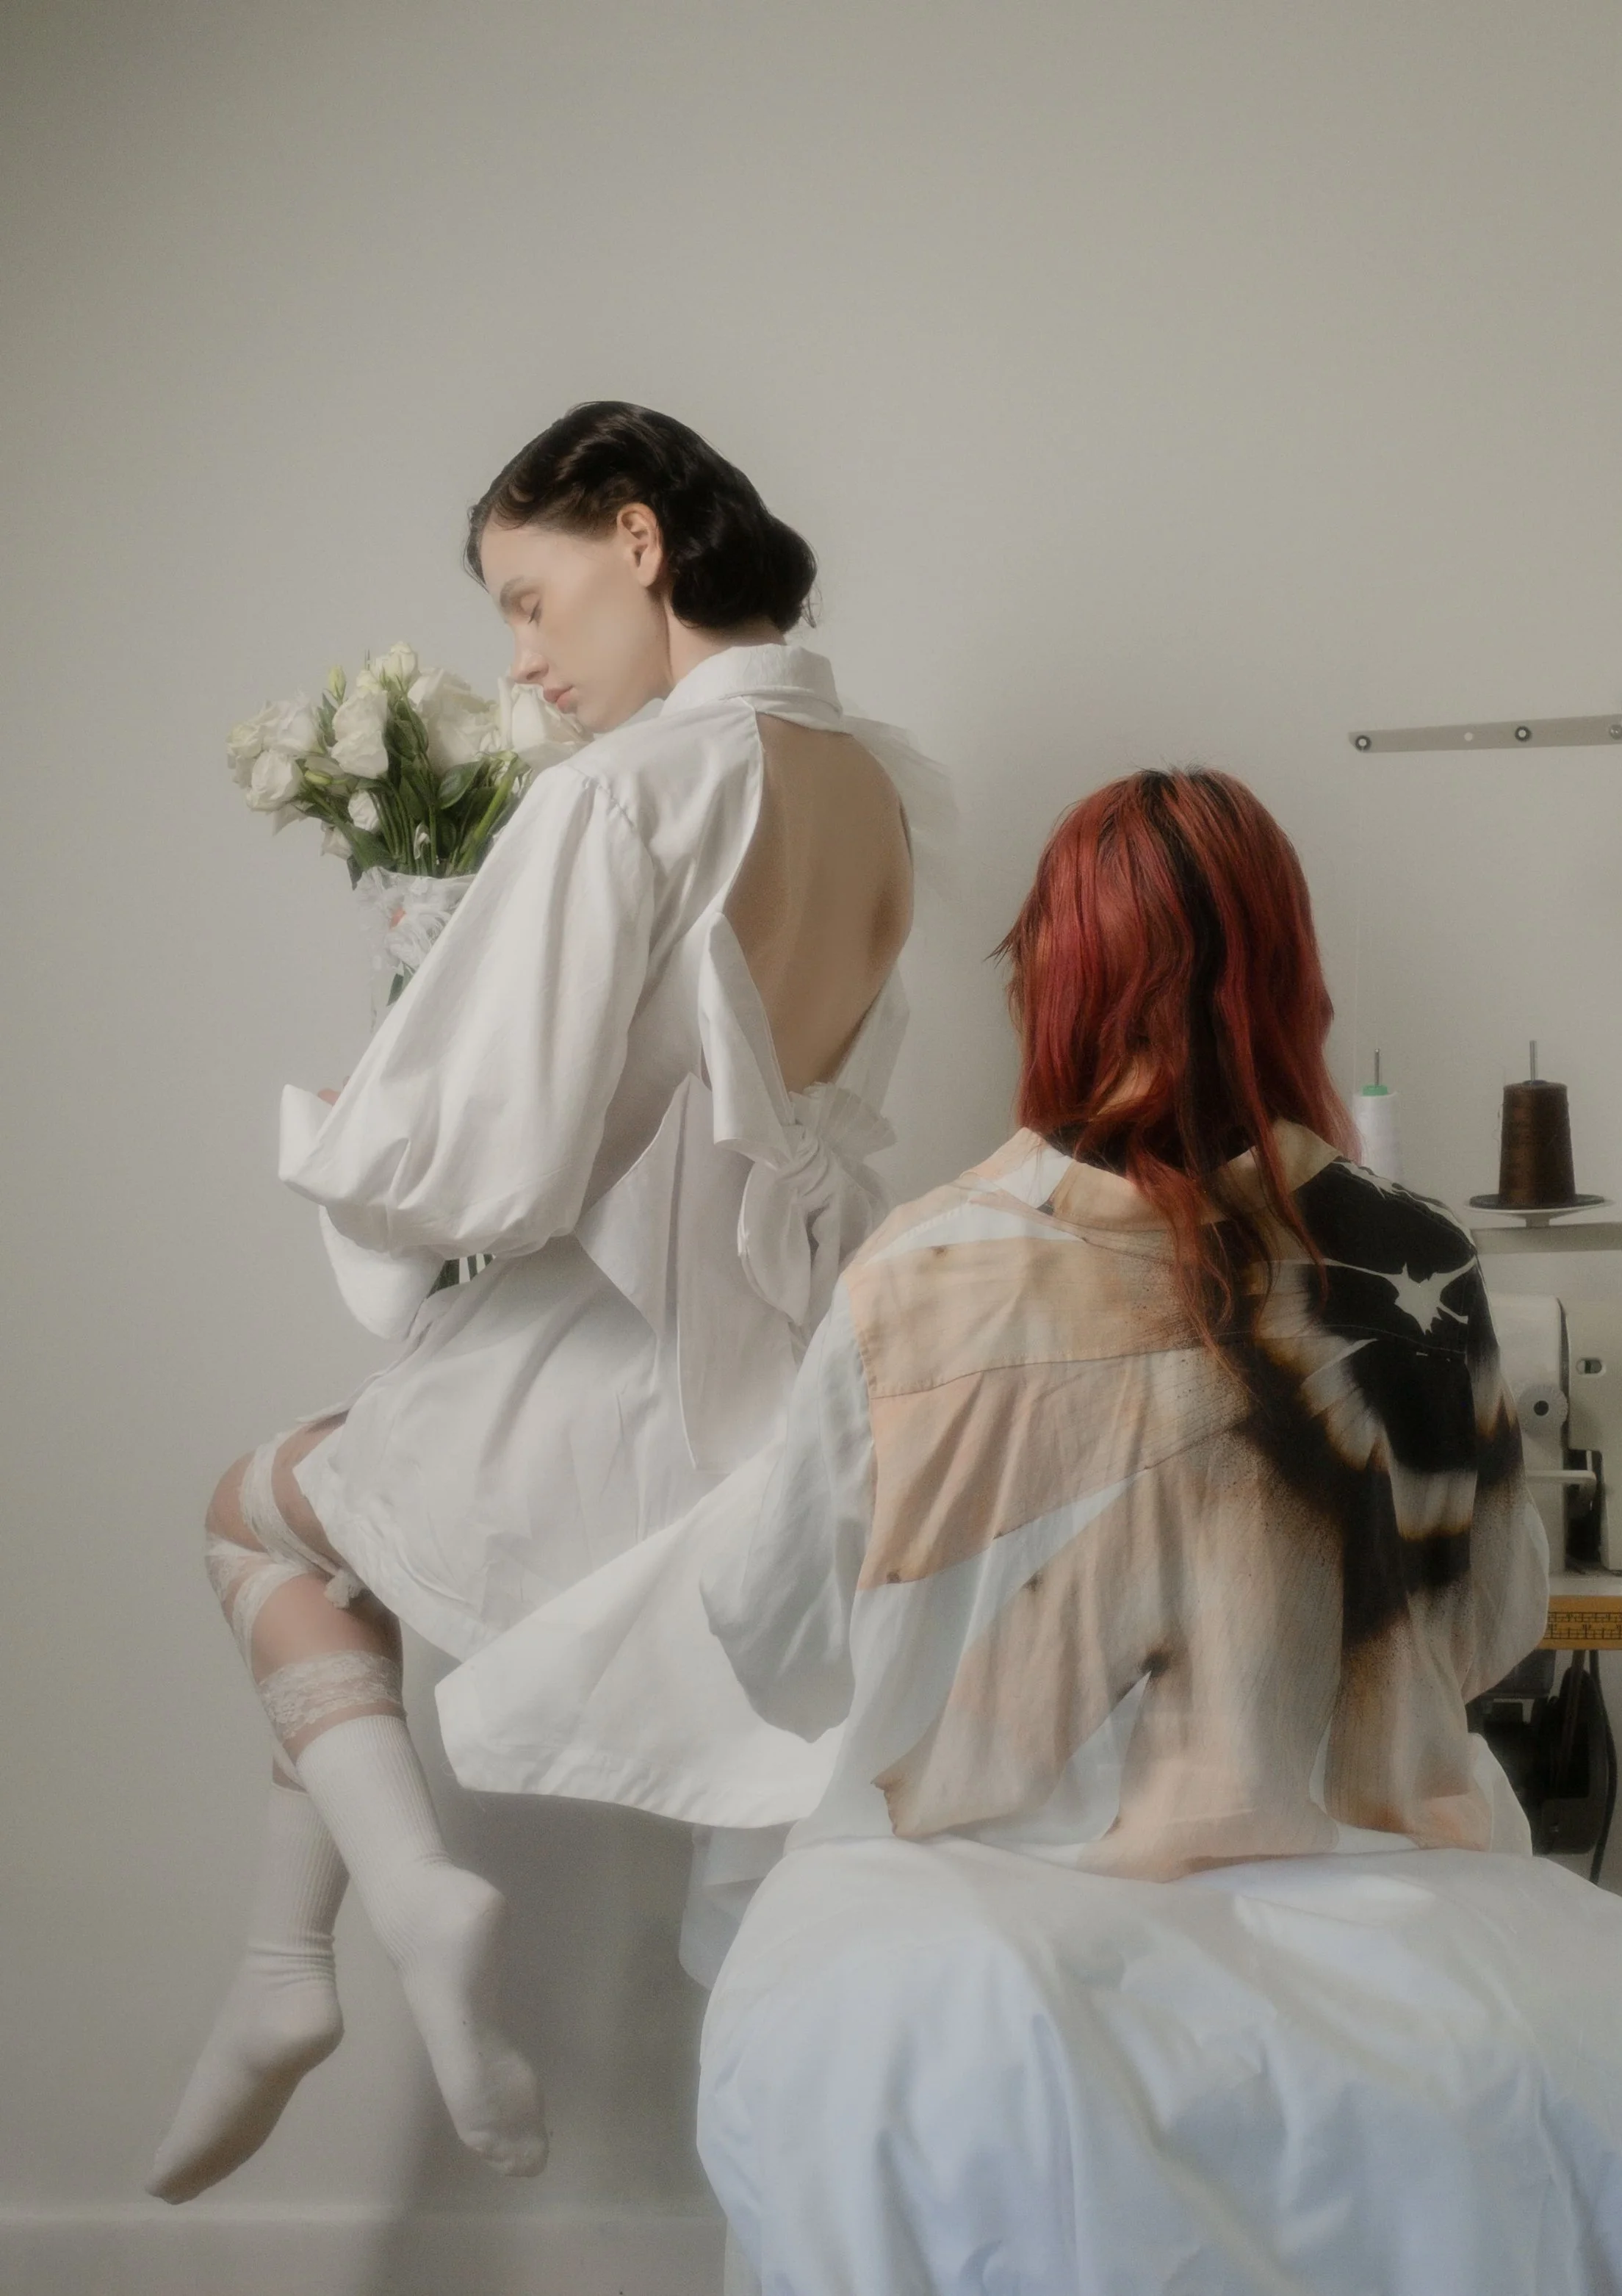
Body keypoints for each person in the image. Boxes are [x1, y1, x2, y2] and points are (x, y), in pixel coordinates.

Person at [695, 769, 1622, 2295]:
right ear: (1291, 969)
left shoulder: (921, 1267)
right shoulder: (1418, 1256)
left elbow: (767, 1629)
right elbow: (1489, 1627)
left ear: (1051, 973)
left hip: (979, 1940)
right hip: (1401, 1945)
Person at [149, 403, 928, 2201]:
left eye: (530, 595)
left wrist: (346, 1113)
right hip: (801, 1389)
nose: (520, 657)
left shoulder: (625, 793)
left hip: (625, 1375)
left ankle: (398, 1914)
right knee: (326, 1541)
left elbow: (482, 1170)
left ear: (639, 544)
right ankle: (294, 1974)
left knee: (255, 1523)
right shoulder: (876, 778)